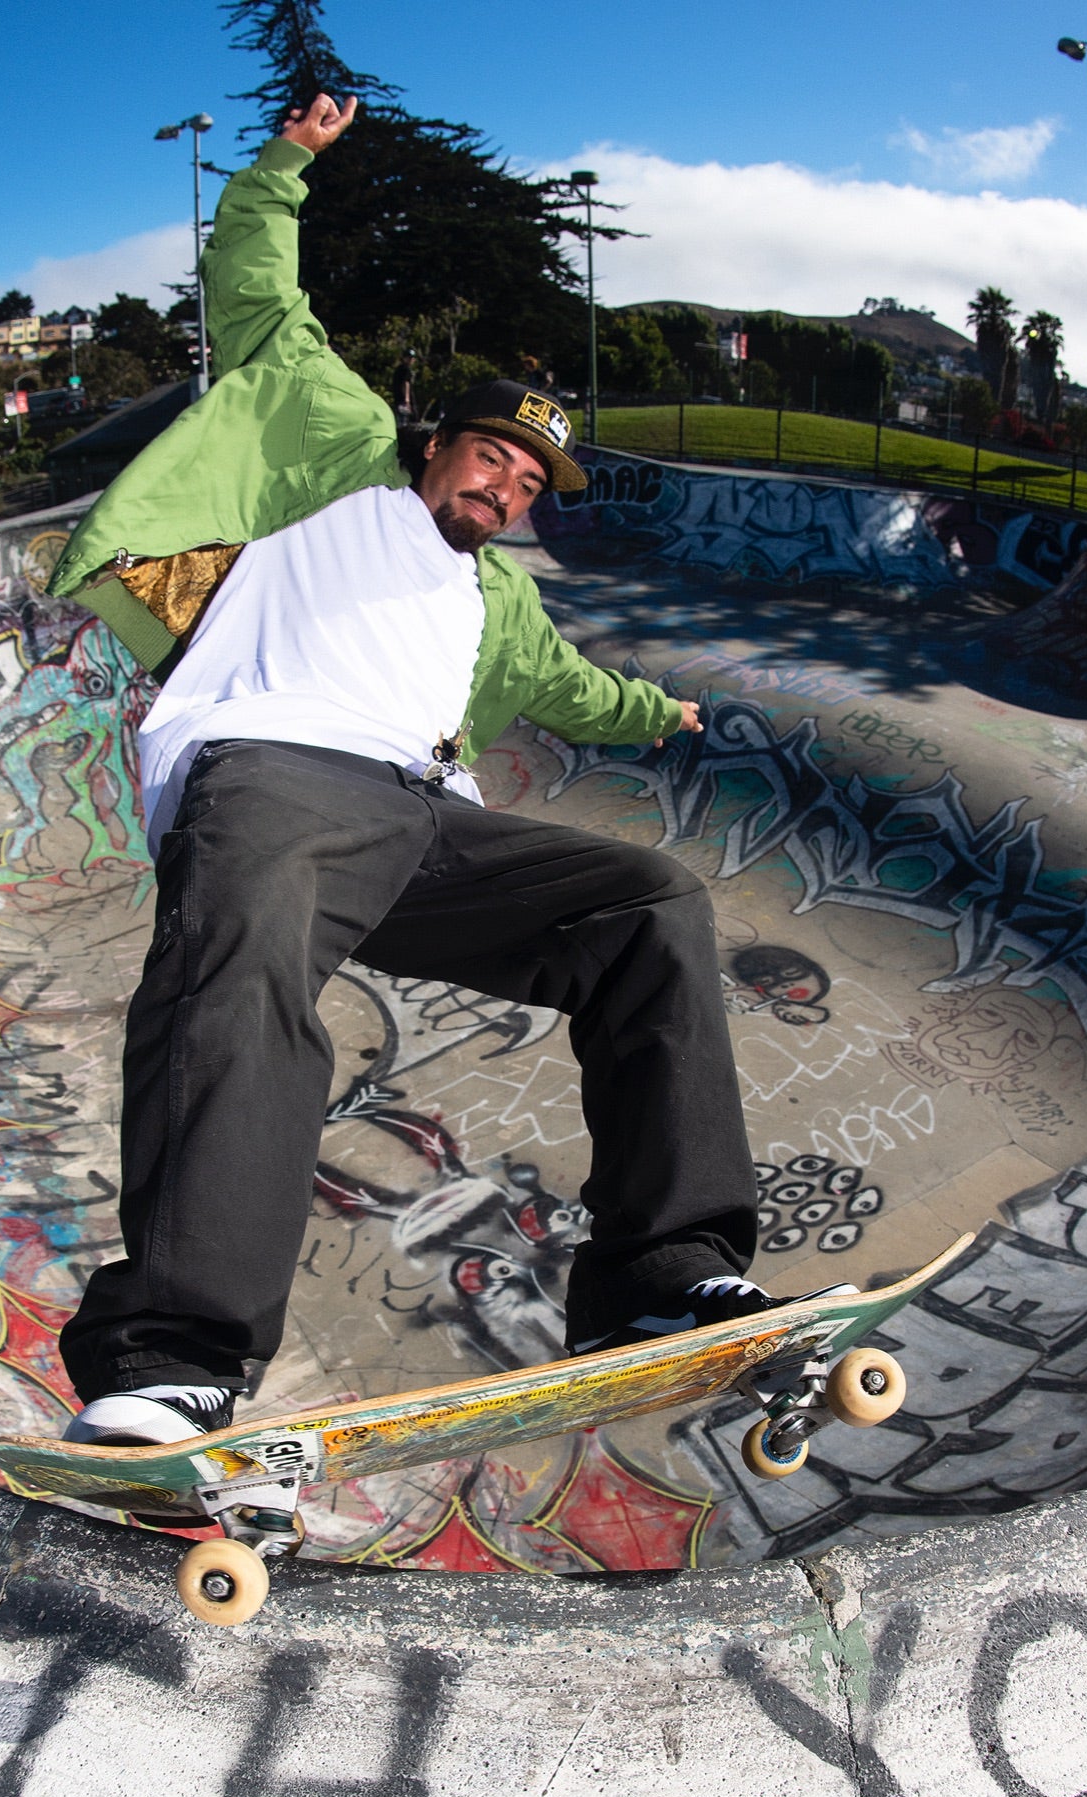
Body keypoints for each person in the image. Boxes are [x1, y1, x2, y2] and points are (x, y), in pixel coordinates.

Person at [47, 93, 791, 1451]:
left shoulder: (493, 606)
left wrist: (655, 715)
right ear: (439, 440)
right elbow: (253, 289)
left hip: (422, 822)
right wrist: (284, 166)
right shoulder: (333, 452)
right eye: (493, 456)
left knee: (648, 908)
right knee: (243, 966)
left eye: (528, 484)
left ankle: (656, 1279)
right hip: (270, 769)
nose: (506, 489)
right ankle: (176, 1353)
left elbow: (572, 690)